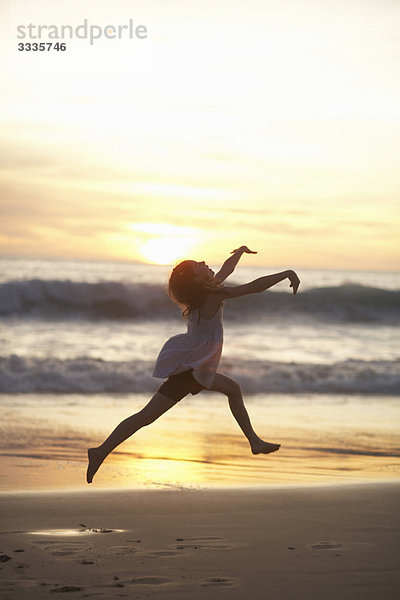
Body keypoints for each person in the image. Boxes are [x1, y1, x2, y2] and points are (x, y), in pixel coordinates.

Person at [86, 246, 300, 483]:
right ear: (196, 280)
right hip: (193, 370)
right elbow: (251, 288)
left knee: (151, 415)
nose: (204, 262)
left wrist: (239, 252)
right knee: (148, 415)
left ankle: (254, 441)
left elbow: (226, 270)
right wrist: (286, 274)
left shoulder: (205, 294)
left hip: (195, 367)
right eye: (198, 265)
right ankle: (254, 442)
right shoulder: (211, 296)